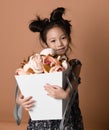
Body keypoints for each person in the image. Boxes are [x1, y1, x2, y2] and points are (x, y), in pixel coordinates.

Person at [15, 7, 84, 130]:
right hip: (42, 121)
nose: (59, 44)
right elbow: (28, 85)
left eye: (63, 38)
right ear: (46, 44)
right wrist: (20, 100)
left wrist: (65, 94)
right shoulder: (38, 64)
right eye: (53, 41)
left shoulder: (75, 64)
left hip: (67, 119)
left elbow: (72, 86)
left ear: (68, 37)